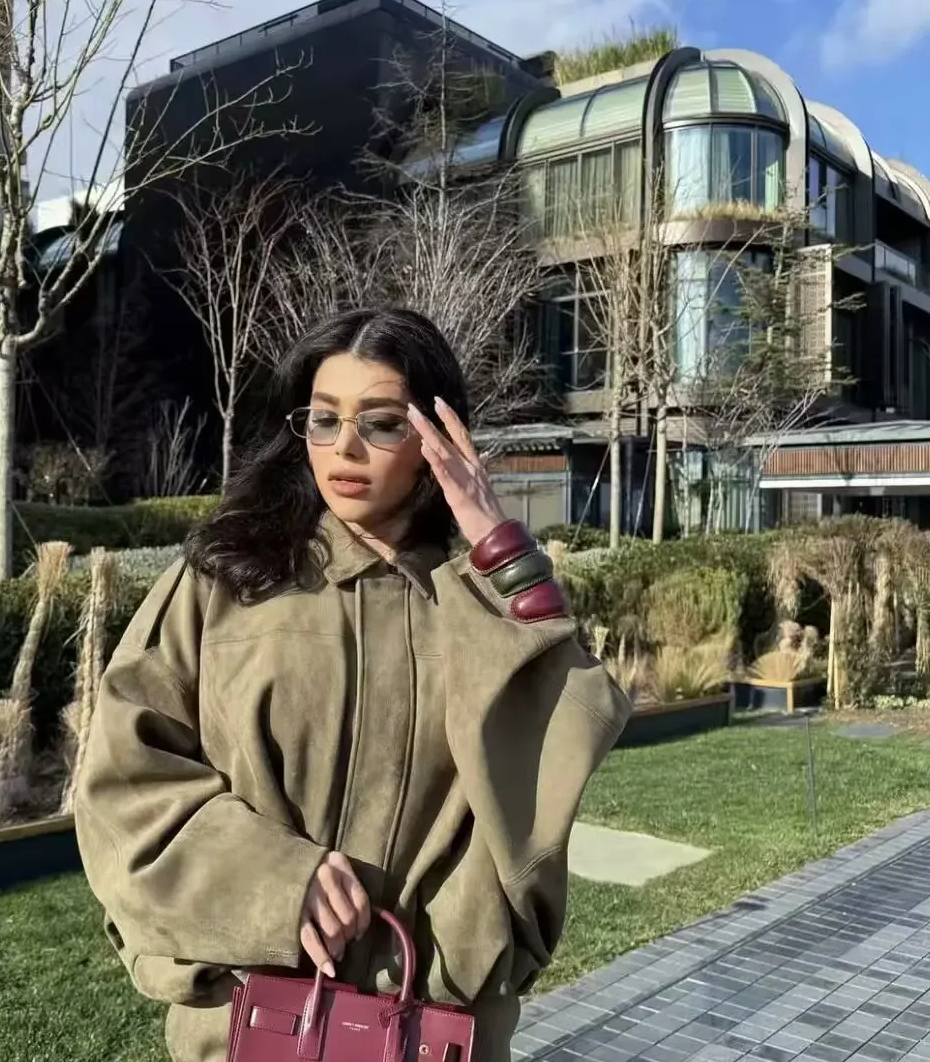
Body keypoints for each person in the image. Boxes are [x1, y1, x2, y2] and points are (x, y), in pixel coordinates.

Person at [74, 308, 631, 1062]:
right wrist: (275, 883)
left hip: (436, 1028)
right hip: (255, 1027)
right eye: (324, 419)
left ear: (436, 436)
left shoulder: (477, 603)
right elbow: (123, 781)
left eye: (382, 423)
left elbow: (566, 735)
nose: (344, 447)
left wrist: (494, 539)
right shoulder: (226, 581)